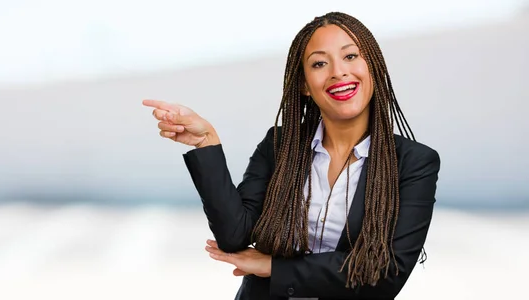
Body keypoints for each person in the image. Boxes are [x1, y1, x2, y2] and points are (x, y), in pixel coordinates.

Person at [142, 11, 440, 300]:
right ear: (304, 85)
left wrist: (274, 267)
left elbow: (387, 274)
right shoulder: (279, 145)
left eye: (350, 56)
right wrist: (206, 143)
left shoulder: (414, 163)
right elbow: (234, 236)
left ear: (373, 66)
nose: (338, 71)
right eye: (320, 63)